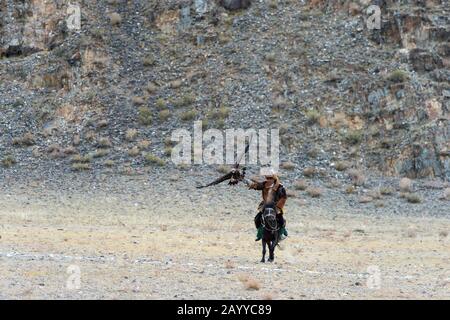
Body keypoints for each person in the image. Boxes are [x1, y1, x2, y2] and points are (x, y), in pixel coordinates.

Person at [243, 170, 288, 241]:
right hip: (266, 205)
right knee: (257, 219)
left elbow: (284, 198)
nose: (269, 180)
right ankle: (259, 234)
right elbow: (255, 185)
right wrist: (244, 180)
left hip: (276, 206)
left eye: (271, 178)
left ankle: (282, 233)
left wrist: (278, 207)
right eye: (267, 178)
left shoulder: (280, 187)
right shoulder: (264, 184)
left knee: (281, 219)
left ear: (274, 178)